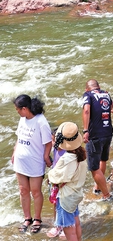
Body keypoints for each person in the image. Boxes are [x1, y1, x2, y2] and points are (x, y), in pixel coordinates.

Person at [12, 94, 52, 233]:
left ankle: (37, 218)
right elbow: (19, 137)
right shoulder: (22, 119)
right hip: (20, 161)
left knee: (35, 191)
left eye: (17, 109)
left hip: (35, 161)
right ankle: (27, 218)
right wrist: (14, 153)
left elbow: (48, 142)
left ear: (24, 108)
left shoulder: (41, 121)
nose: (17, 112)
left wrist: (46, 157)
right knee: (23, 191)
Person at [48, 122, 88, 241]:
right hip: (75, 193)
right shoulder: (81, 154)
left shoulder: (66, 159)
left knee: (69, 230)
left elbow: (55, 177)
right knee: (76, 223)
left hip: (66, 197)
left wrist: (50, 173)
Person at [81, 79, 113, 200]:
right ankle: (97, 186)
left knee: (94, 167)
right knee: (103, 159)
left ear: (87, 88)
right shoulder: (106, 94)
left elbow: (86, 110)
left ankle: (106, 194)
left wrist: (85, 130)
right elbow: (111, 105)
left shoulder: (88, 95)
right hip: (108, 132)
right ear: (98, 87)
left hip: (95, 135)